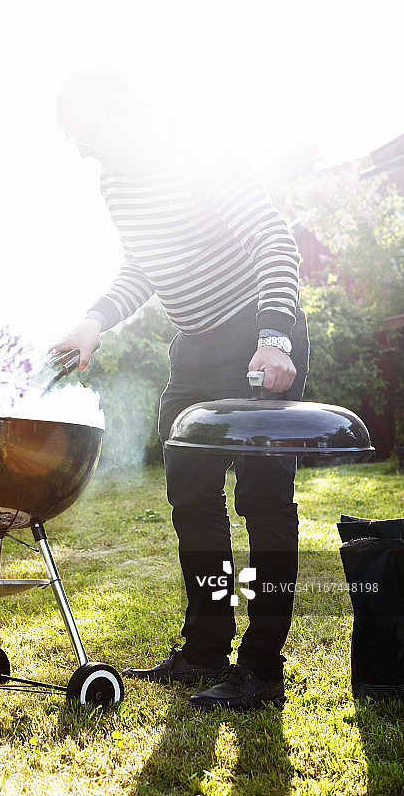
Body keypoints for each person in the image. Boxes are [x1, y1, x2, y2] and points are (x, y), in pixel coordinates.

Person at [50, 64, 309, 711]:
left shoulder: (203, 149)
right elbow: (144, 266)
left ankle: (262, 669)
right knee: (191, 497)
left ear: (121, 111)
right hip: (193, 349)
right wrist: (95, 320)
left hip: (257, 335)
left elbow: (274, 241)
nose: (83, 151)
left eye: (86, 135)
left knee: (262, 499)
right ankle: (205, 649)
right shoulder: (115, 182)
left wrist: (274, 337)